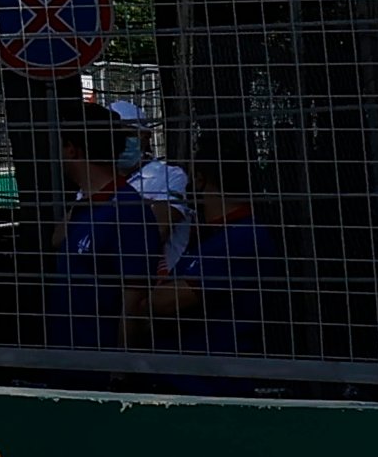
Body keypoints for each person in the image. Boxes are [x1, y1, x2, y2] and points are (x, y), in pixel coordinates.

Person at [45, 100, 164, 351]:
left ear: (71, 150)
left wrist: (119, 373)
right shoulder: (86, 205)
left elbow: (135, 303)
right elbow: (55, 241)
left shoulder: (126, 211)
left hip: (100, 368)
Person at [151, 156, 287, 359]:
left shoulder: (241, 237)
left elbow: (163, 303)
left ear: (198, 180)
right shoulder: (215, 235)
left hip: (213, 376)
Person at [107, 99, 194, 273]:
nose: (117, 142)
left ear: (145, 137)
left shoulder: (170, 175)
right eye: (110, 136)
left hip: (160, 284)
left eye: (126, 135)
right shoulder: (99, 179)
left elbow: (154, 232)